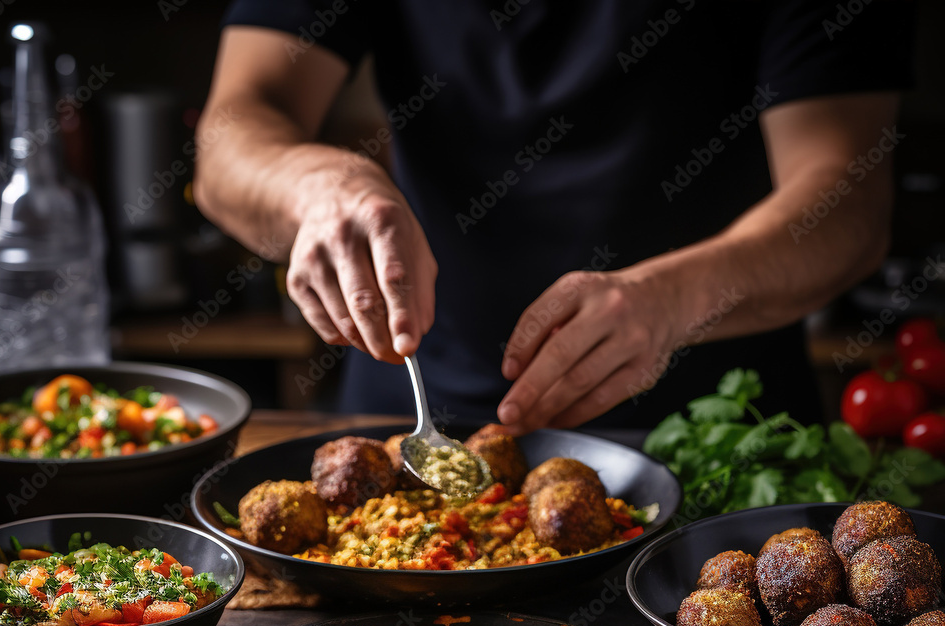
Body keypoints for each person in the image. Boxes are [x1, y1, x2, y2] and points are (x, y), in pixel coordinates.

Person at [193, 1, 914, 433]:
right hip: (409, 415)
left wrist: (671, 299)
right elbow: (231, 142)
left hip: (714, 434)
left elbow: (847, 200)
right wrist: (317, 184)